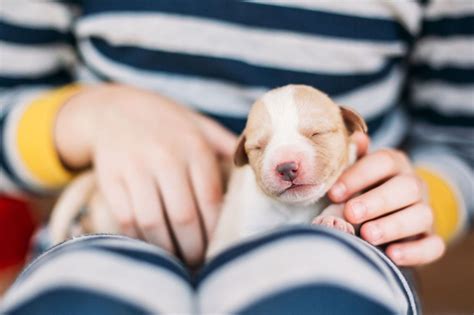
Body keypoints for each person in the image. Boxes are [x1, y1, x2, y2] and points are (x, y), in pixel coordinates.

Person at [0, 1, 472, 314]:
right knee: (80, 302)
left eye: (316, 132)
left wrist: (423, 200)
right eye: (259, 146)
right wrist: (82, 119)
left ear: (352, 126)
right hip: (102, 232)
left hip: (345, 241)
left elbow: (461, 143)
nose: (284, 160)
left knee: (319, 299)